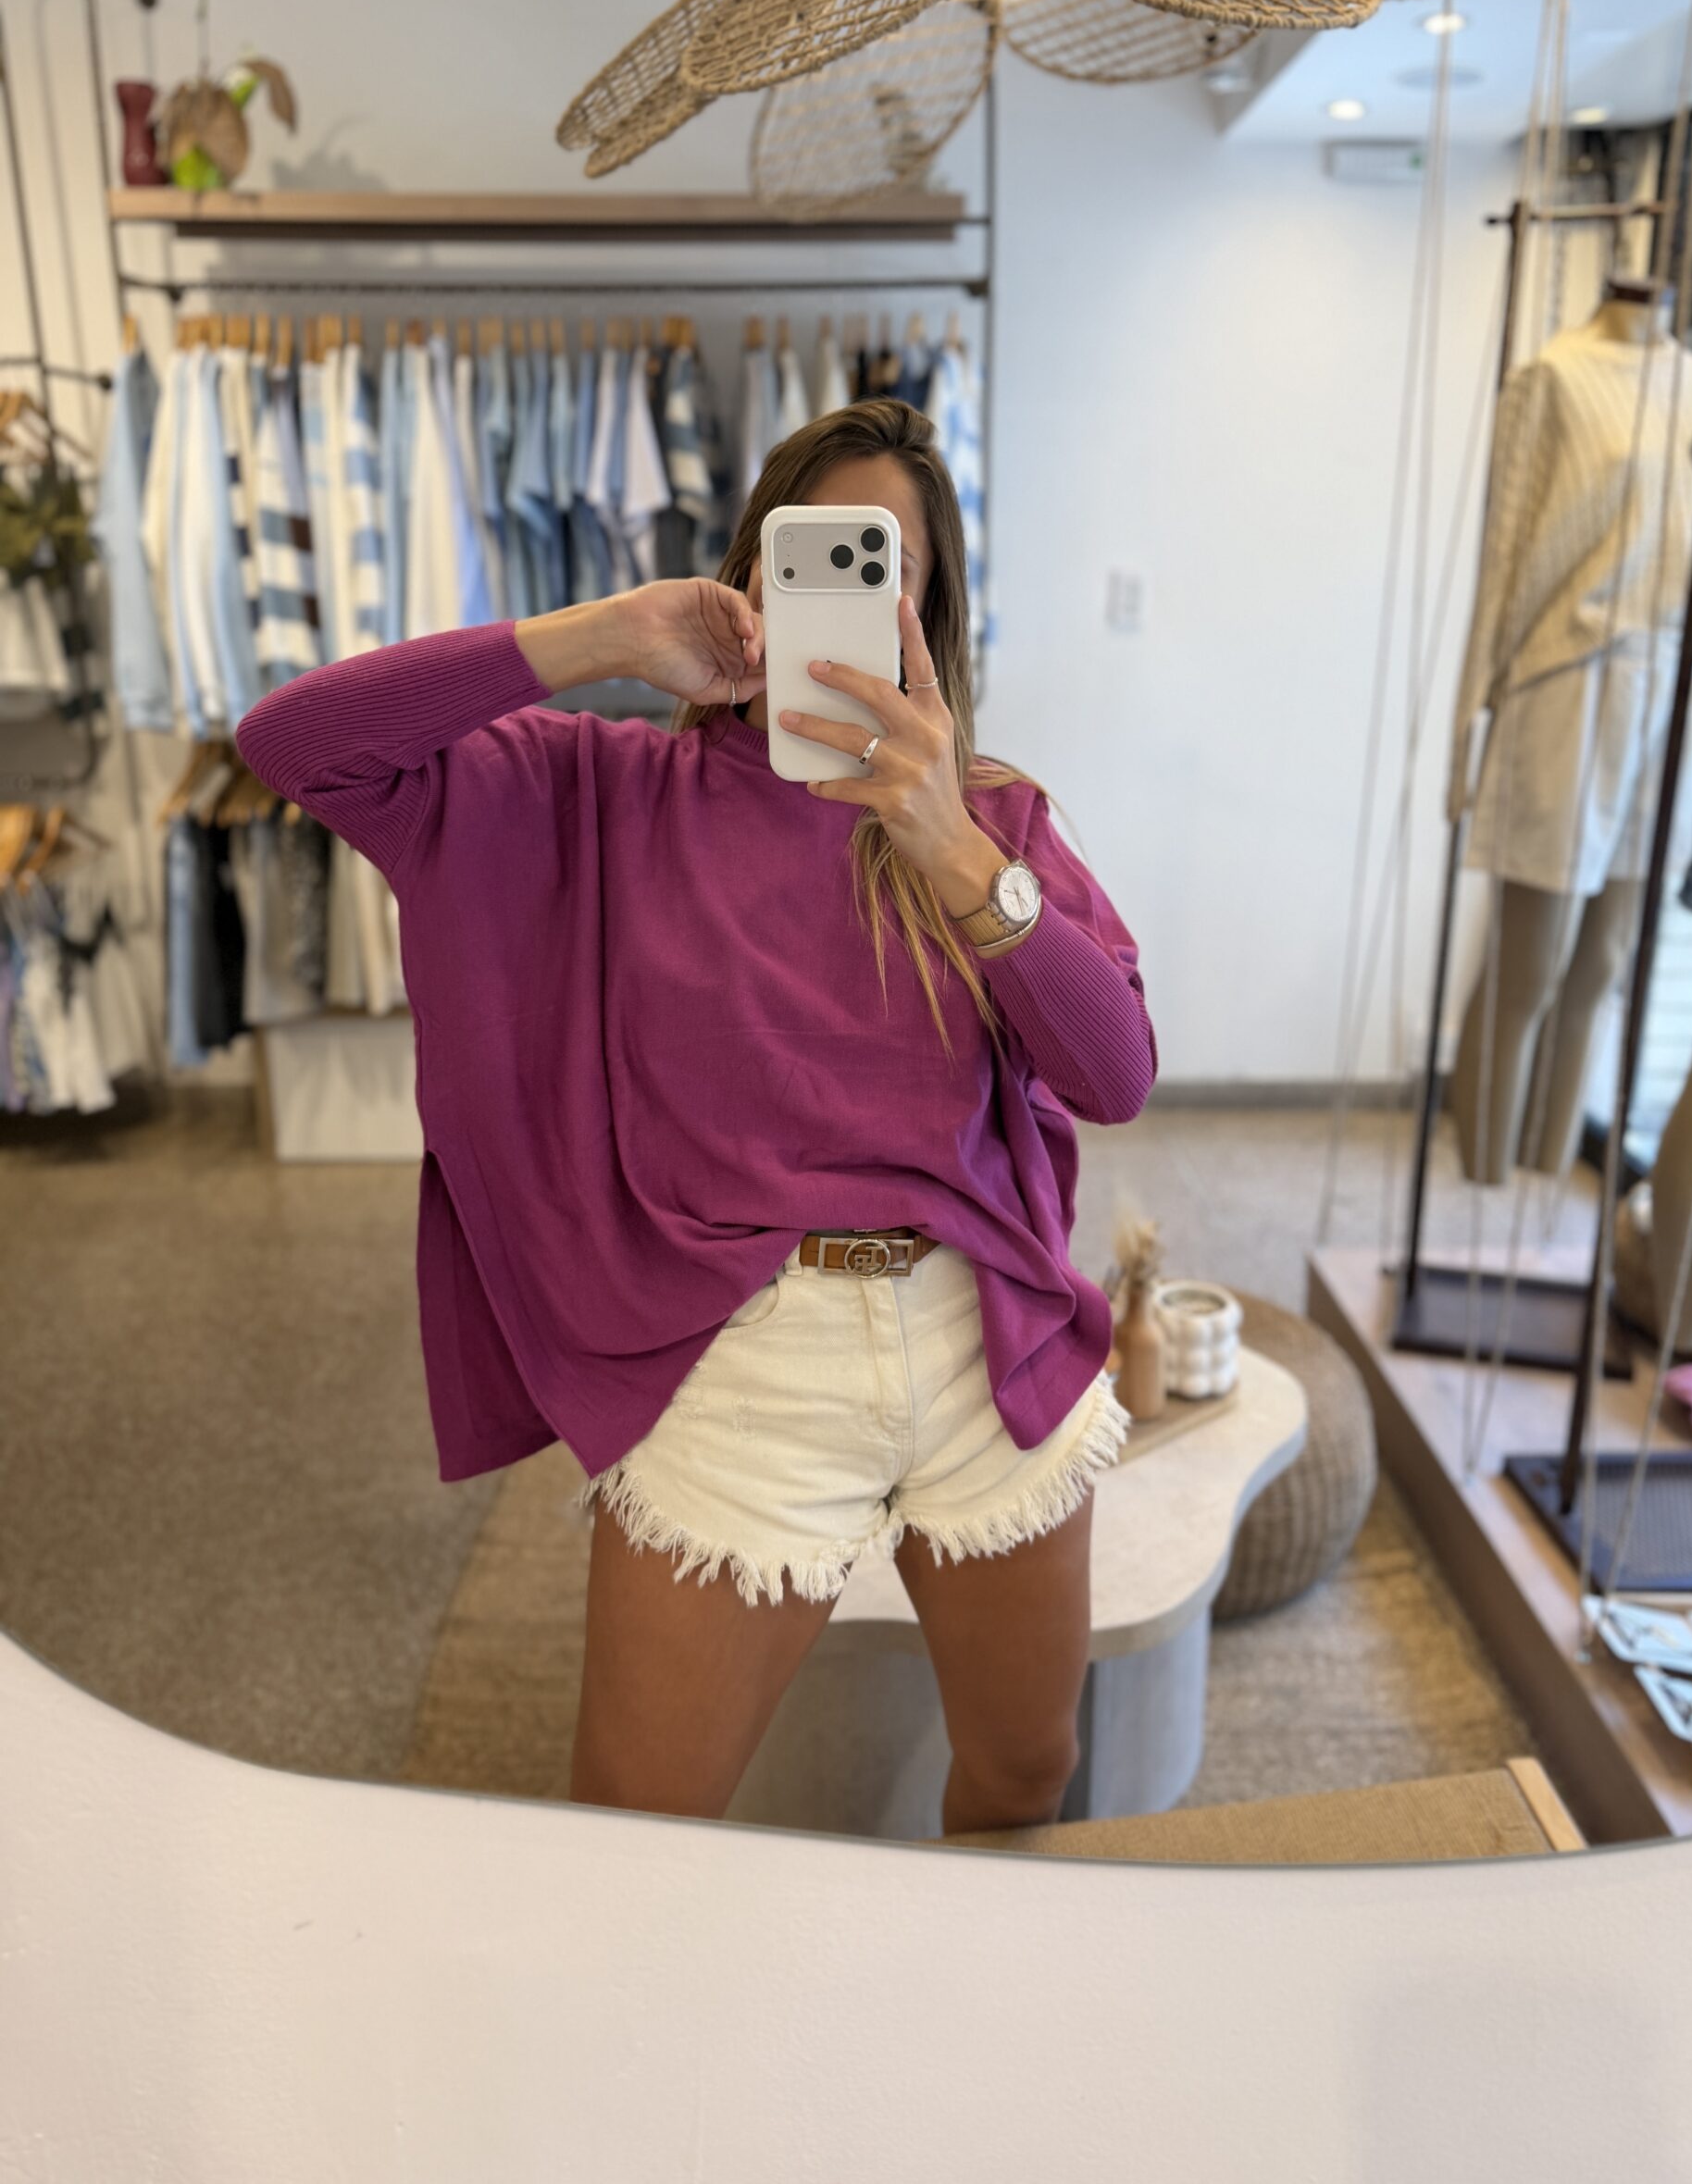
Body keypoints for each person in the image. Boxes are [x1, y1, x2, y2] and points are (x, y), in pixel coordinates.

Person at [236, 397, 1157, 1833]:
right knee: (638, 1828)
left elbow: (1117, 1076)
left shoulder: (991, 822)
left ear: (928, 615)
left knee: (1029, 1770)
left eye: (886, 568)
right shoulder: (608, 792)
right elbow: (295, 743)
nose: (847, 598)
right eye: (814, 558)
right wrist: (607, 636)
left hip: (985, 1341)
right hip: (745, 1359)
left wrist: (950, 847)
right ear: (751, 578)